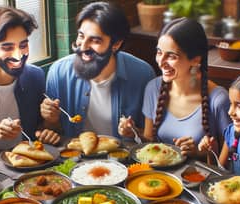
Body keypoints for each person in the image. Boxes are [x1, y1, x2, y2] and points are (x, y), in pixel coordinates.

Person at [118, 18, 230, 158]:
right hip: (160, 177)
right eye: (159, 52)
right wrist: (133, 132)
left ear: (196, 60)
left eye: (171, 56)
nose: (161, 62)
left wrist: (198, 152)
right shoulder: (153, 88)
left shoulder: (218, 99)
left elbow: (230, 158)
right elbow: (149, 141)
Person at [43, 1, 156, 137]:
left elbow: (150, 138)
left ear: (116, 44)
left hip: (123, 157)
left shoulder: (143, 74)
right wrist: (51, 120)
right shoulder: (58, 72)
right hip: (73, 156)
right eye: (81, 36)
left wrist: (134, 133)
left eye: (95, 41)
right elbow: (53, 131)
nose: (83, 46)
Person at [0, 5, 60, 152]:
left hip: (27, 165)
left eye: (23, 45)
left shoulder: (35, 76)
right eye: (7, 48)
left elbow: (40, 131)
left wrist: (50, 123)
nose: (18, 55)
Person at [199, 73, 240, 175]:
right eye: (231, 104)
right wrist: (211, 151)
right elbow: (218, 176)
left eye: (239, 106)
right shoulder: (231, 133)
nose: (230, 112)